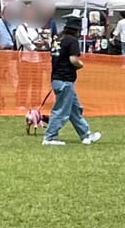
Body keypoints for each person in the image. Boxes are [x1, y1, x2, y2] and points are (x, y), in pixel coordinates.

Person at [42, 15, 102, 147]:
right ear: (77, 30)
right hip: (65, 80)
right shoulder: (72, 41)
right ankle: (49, 136)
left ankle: (85, 135)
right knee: (61, 110)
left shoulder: (58, 40)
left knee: (75, 109)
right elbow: (73, 60)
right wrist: (80, 65)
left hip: (57, 78)